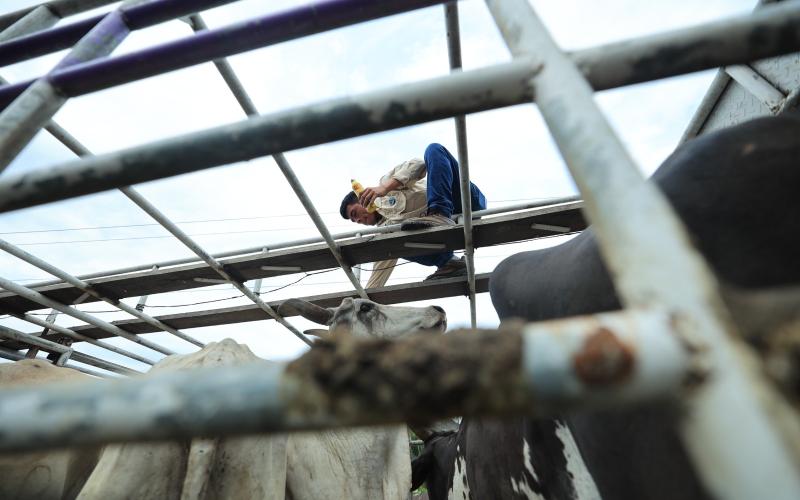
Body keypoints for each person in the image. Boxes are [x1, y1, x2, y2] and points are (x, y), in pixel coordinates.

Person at [339, 143, 486, 288]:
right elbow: (377, 277)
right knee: (389, 244)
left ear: (362, 197)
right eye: (355, 221)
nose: (358, 220)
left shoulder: (386, 186)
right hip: (447, 233)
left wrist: (385, 188)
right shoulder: (384, 233)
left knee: (434, 149)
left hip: (462, 199)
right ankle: (450, 263)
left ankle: (439, 213)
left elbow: (419, 164)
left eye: (355, 213)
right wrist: (362, 303)